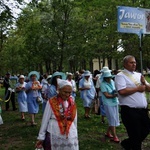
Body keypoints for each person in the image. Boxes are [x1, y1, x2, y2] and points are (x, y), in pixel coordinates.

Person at [115, 55, 150, 150]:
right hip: (130, 111)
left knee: (146, 128)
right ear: (125, 64)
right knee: (135, 134)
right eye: (131, 62)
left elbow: (148, 89)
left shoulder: (139, 75)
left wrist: (144, 83)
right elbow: (122, 91)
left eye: (134, 62)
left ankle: (127, 143)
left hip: (142, 110)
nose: (134, 64)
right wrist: (137, 88)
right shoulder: (120, 76)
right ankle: (133, 145)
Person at [35, 79, 79, 150]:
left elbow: (74, 119)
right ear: (59, 90)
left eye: (69, 92)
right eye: (65, 92)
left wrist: (75, 132)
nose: (67, 95)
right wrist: (41, 137)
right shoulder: (52, 102)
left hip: (70, 133)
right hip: (54, 132)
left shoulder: (72, 102)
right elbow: (45, 120)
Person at [100, 68, 120, 143]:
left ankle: (108, 132)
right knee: (111, 118)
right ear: (104, 78)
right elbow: (107, 95)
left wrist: (116, 94)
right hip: (108, 103)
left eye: (110, 77)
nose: (109, 79)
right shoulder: (102, 84)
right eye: (107, 78)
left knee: (114, 118)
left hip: (115, 102)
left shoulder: (112, 81)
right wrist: (114, 95)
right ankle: (115, 136)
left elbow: (115, 89)